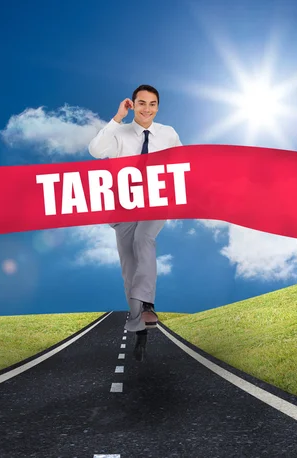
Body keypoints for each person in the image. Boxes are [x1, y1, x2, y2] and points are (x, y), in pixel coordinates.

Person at [88, 84, 182, 361]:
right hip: (123, 204)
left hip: (155, 200)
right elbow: (95, 150)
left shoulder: (168, 133)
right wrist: (116, 118)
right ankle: (138, 324)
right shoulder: (119, 132)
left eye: (152, 104)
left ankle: (148, 305)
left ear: (158, 107)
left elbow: (184, 161)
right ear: (133, 105)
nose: (147, 109)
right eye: (142, 103)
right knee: (129, 265)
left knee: (144, 239)